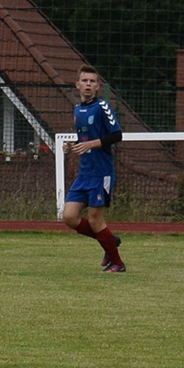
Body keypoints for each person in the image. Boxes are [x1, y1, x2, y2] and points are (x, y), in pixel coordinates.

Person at [61, 65, 125, 273]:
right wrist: (71, 145)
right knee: (69, 217)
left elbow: (117, 135)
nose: (88, 85)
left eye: (92, 81)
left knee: (96, 220)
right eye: (84, 81)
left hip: (101, 173)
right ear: (77, 85)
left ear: (98, 86)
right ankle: (108, 240)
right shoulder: (77, 110)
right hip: (84, 173)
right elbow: (84, 138)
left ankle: (117, 263)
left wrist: (91, 144)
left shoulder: (102, 107)